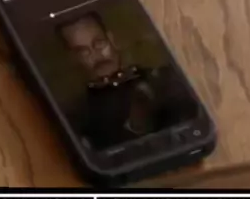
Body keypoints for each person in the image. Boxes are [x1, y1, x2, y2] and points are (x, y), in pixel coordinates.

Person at [56, 11, 197, 150]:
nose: (96, 54)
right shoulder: (79, 116)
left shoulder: (161, 79)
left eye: (99, 43)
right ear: (74, 59)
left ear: (111, 40)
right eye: (83, 52)